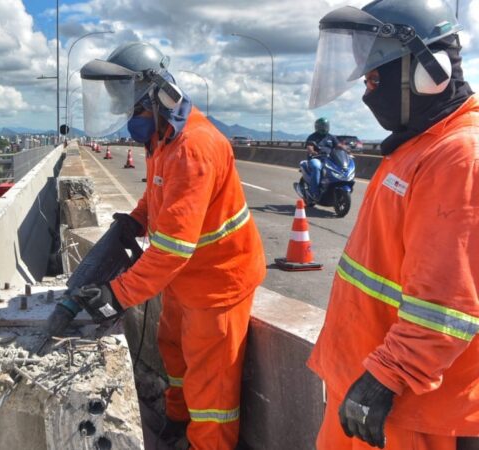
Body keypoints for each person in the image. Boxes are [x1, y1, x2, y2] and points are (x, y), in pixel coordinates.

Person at [73, 41, 266, 450]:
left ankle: (205, 444)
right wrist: (137, 219)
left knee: (211, 391)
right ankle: (179, 422)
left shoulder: (193, 147)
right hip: (184, 281)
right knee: (174, 356)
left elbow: (174, 248)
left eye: (136, 110)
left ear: (157, 96)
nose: (132, 120)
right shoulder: (162, 139)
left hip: (217, 286)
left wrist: (116, 295)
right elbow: (162, 198)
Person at [306, 0, 479, 448]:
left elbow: (448, 303)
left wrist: (387, 375)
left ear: (430, 72)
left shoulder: (459, 156)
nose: (368, 87)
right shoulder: (418, 144)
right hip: (369, 383)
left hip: (412, 408)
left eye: (376, 74)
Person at [304, 117, 344, 200]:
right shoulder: (312, 136)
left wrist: (346, 149)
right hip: (316, 158)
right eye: (322, 126)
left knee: (339, 167)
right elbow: (309, 146)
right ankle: (314, 192)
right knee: (316, 167)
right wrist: (312, 151)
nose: (324, 128)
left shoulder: (331, 137)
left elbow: (338, 145)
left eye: (325, 126)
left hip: (329, 159)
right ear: (318, 127)